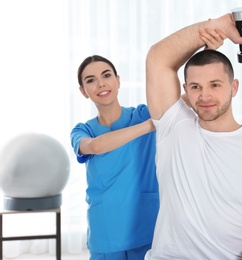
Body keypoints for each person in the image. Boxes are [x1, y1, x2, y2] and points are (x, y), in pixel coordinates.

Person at [145, 12, 242, 260]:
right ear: (186, 90)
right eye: (196, 87)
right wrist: (218, 27)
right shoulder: (174, 126)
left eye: (215, 85)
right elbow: (158, 58)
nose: (204, 96)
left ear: (233, 88)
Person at [70, 29, 226, 260]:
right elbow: (95, 147)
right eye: (90, 80)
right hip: (106, 231)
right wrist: (153, 124)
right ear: (84, 91)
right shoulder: (84, 130)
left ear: (118, 80)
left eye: (106, 75)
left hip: (145, 226)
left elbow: (186, 98)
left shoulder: (143, 113)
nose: (101, 83)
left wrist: (208, 51)